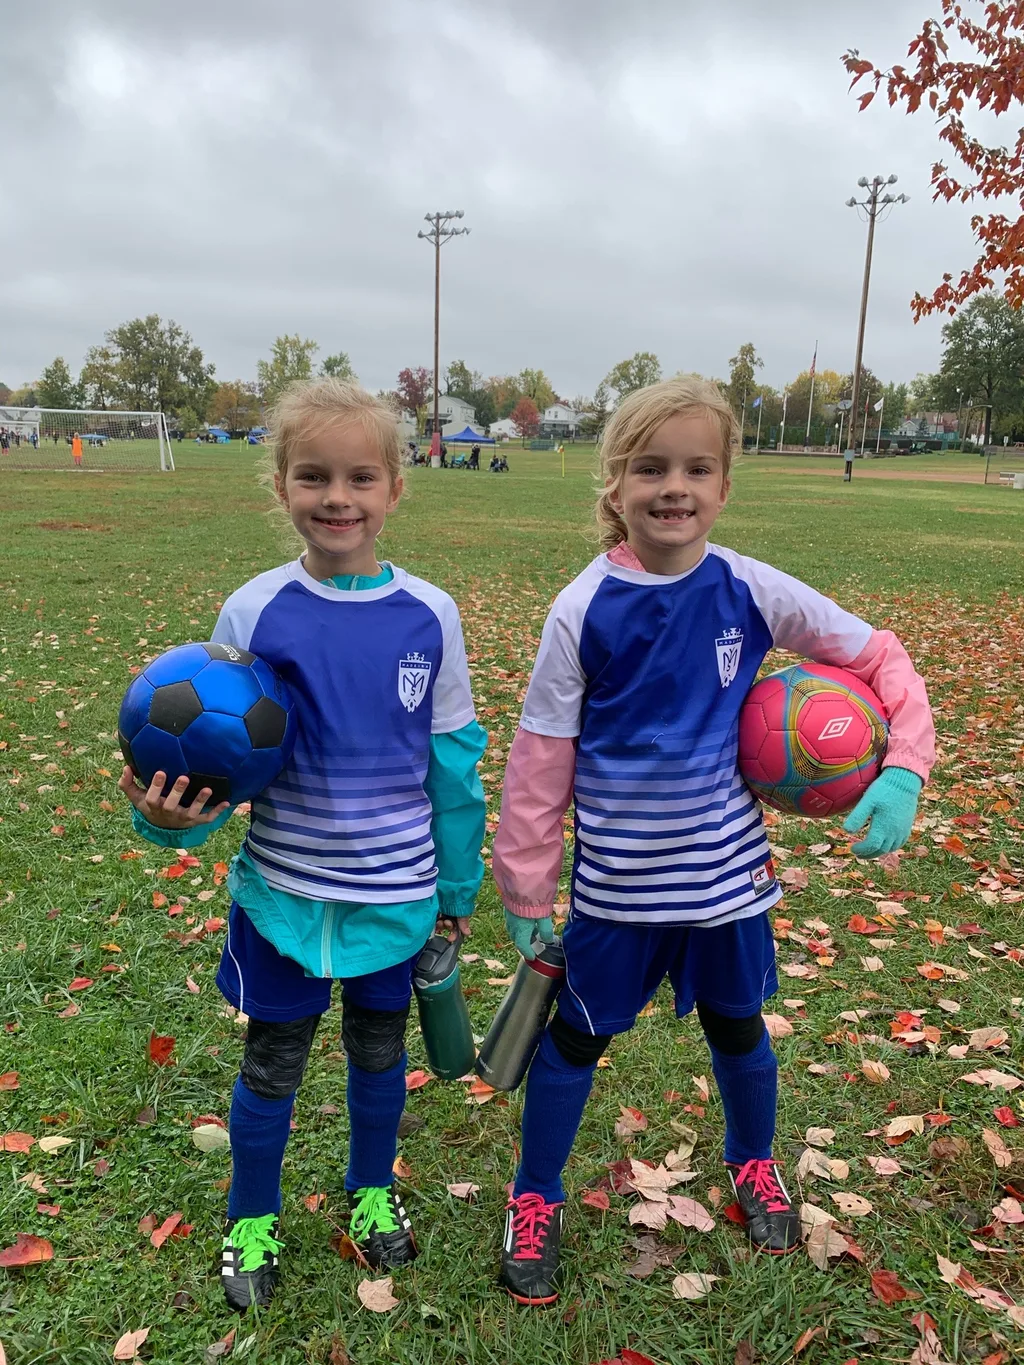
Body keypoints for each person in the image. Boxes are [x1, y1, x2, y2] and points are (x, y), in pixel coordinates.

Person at [491, 376, 935, 1305]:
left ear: (725, 485)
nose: (674, 487)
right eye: (650, 467)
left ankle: (753, 1161)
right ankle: (534, 1193)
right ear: (615, 485)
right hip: (618, 894)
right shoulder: (583, 608)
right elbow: (540, 760)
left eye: (697, 468)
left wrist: (904, 767)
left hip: (728, 885)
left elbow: (879, 653)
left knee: (739, 1029)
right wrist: (527, 888)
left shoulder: (748, 587)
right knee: (576, 1040)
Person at [119, 378, 487, 1311]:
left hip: (393, 899)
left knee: (378, 1056)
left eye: (361, 477)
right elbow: (216, 759)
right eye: (314, 475)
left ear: (395, 487)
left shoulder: (431, 614)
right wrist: (167, 819)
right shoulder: (254, 611)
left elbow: (454, 764)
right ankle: (252, 1216)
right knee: (272, 1065)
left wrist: (457, 887)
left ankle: (371, 1192)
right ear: (281, 483)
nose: (338, 497)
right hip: (281, 896)